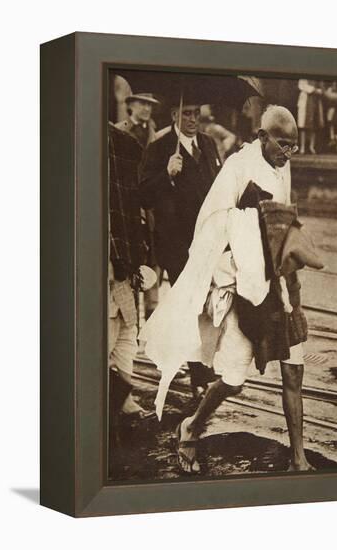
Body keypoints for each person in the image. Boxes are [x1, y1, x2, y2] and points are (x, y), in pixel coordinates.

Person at [140, 106, 323, 474]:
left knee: (293, 370)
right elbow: (211, 226)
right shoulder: (237, 167)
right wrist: (249, 234)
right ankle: (191, 426)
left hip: (281, 282)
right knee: (233, 380)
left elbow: (283, 220)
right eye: (282, 144)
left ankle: (298, 459)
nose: (287, 154)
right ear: (261, 136)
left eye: (293, 147)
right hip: (245, 283)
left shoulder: (282, 165)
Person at [140, 100, 222, 398]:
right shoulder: (160, 148)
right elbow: (144, 194)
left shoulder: (208, 144)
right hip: (177, 246)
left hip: (208, 242)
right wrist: (168, 174)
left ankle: (204, 365)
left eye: (196, 114)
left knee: (211, 305)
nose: (192, 119)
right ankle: (198, 374)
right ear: (174, 115)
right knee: (189, 306)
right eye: (186, 114)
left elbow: (219, 186)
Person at [108, 123, 154, 437]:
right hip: (105, 268)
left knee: (127, 332)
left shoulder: (123, 143)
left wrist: (138, 259)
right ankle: (103, 410)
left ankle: (121, 400)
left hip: (122, 263)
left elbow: (136, 205)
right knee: (108, 335)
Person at [116, 92, 161, 320]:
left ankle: (150, 332)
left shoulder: (154, 135)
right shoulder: (120, 132)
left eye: (150, 105)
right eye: (142, 103)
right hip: (128, 207)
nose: (146, 109)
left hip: (150, 209)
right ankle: (130, 327)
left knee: (151, 265)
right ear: (130, 105)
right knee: (131, 265)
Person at [297, 79, 325, 154]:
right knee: (303, 126)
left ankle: (311, 146)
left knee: (314, 125)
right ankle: (302, 146)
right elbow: (301, 85)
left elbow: (322, 89)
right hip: (306, 100)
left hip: (316, 101)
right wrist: (313, 89)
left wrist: (318, 91)